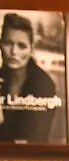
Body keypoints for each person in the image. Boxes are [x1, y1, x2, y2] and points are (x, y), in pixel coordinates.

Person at [0, 12, 59, 143]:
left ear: (31, 49)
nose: (14, 52)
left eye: (22, 46)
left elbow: (36, 136)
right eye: (8, 43)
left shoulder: (44, 83)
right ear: (0, 44)